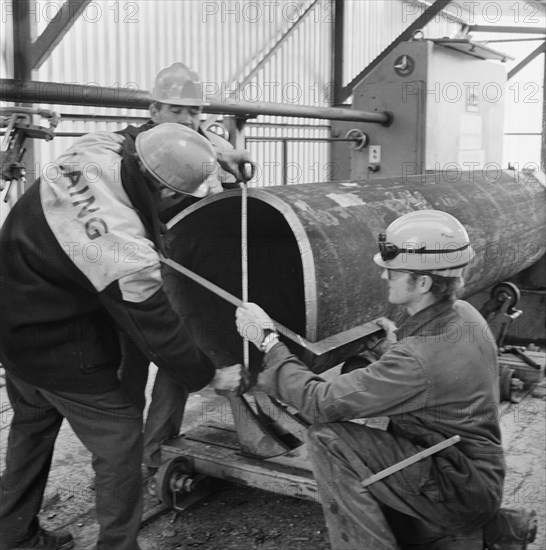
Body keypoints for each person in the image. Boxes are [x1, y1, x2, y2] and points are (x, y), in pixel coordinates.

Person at [0, 123, 246, 550]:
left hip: (10, 323)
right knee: (119, 442)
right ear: (169, 195)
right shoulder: (121, 246)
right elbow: (158, 331)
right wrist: (210, 376)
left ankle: (12, 533)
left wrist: (215, 151)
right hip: (57, 345)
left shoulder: (98, 150)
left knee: (33, 427)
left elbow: (136, 132)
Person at [235, 210, 536, 550]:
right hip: (472, 471)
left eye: (393, 271)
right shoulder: (465, 314)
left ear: (422, 283)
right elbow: (430, 373)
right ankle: (482, 532)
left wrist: (267, 342)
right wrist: (389, 346)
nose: (383, 275)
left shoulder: (418, 358)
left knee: (327, 440)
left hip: (457, 487)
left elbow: (320, 403)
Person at [116, 62, 254, 484]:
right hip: (129, 274)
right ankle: (118, 463)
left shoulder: (203, 146)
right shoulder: (126, 149)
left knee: (178, 361)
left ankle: (155, 448)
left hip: (184, 270)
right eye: (179, 111)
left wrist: (231, 162)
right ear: (155, 109)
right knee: (129, 369)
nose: (190, 121)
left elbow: (227, 199)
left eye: (195, 112)